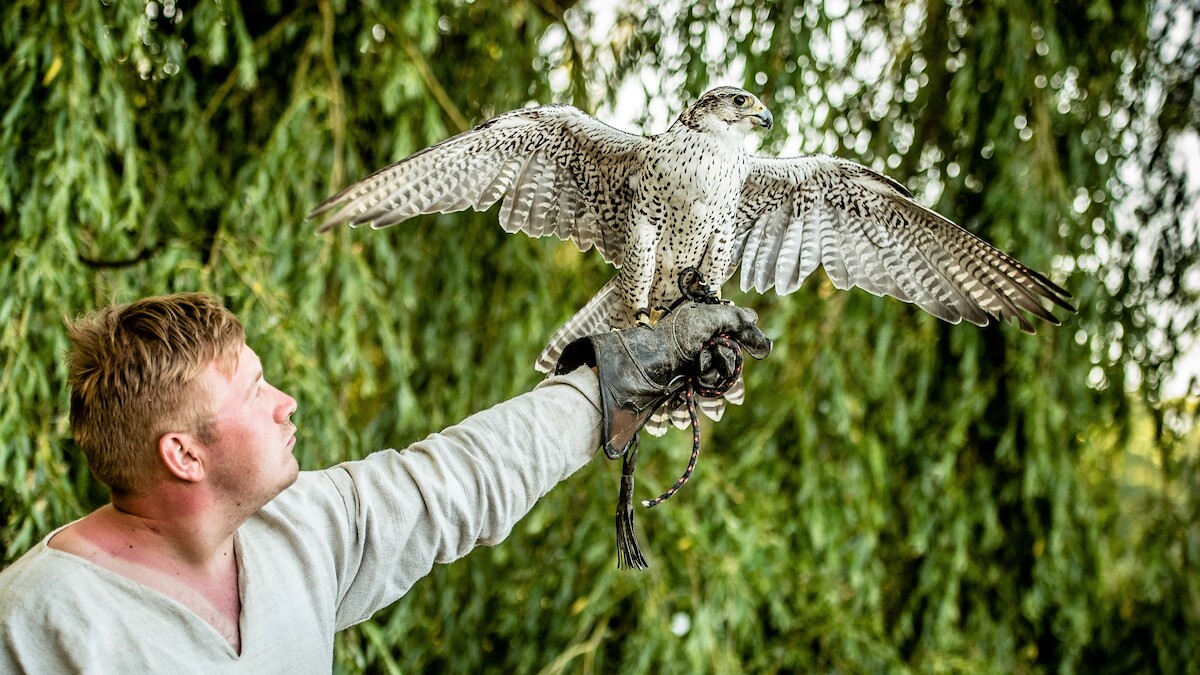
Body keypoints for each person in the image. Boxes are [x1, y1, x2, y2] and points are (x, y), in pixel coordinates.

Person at [0, 292, 769, 671]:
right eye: (256, 390)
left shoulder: (297, 529)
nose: (285, 403)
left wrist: (618, 379)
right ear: (184, 455)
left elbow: (459, 482)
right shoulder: (38, 623)